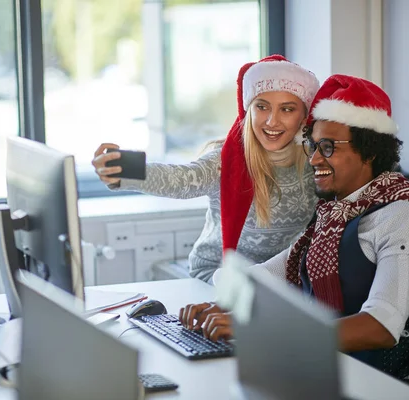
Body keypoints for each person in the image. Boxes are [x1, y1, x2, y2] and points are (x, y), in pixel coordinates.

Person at [180, 74, 409, 380]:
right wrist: (215, 308)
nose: (314, 159)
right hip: (320, 369)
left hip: (374, 383)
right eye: (313, 146)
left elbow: (382, 325)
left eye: (328, 147)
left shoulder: (402, 217)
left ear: (371, 150)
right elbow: (273, 272)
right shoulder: (333, 216)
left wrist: (265, 329)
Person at [92, 55, 320, 282]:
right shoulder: (226, 161)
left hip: (280, 281)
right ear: (249, 109)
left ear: (304, 117)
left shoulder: (316, 163)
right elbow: (179, 179)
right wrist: (120, 170)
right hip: (216, 276)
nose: (271, 121)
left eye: (287, 110)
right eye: (262, 107)